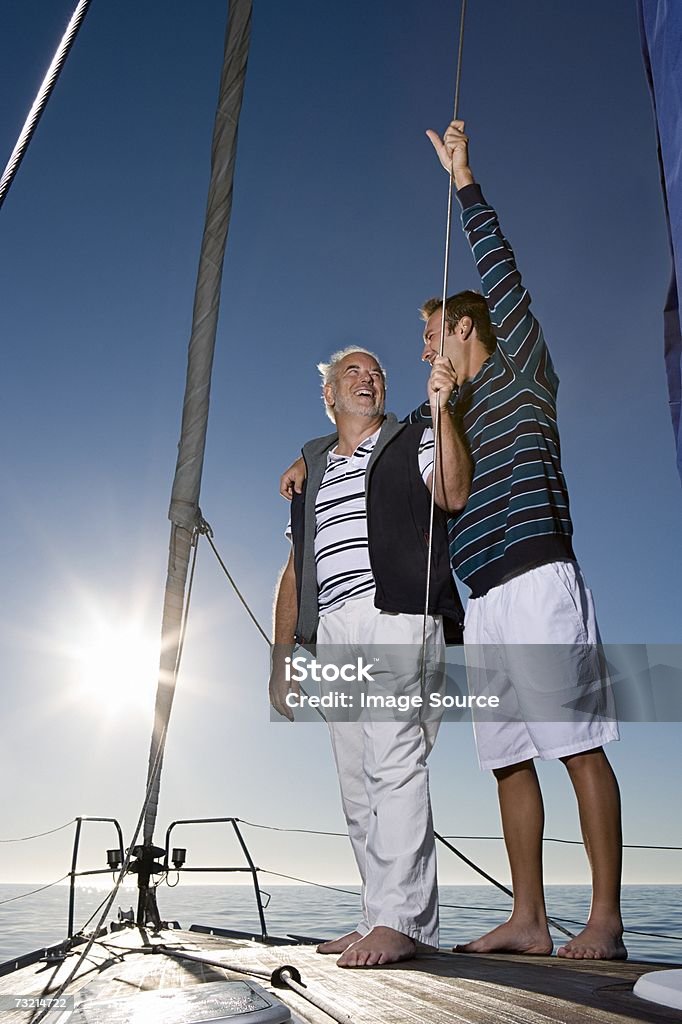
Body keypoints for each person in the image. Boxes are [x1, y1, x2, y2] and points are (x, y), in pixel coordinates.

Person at [281, 122, 626, 961]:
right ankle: (530, 918)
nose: (422, 346)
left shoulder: (520, 370)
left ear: (468, 329)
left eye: (433, 333)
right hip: (484, 602)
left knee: (573, 742)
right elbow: (381, 466)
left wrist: (465, 182)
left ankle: (608, 918)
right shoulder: (445, 417)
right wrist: (309, 460)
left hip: (539, 575)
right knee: (509, 759)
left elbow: (502, 277)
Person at [269, 346, 469, 967]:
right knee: (357, 782)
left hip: (398, 616)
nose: (368, 379)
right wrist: (282, 657)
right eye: (351, 373)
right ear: (329, 396)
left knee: (394, 761)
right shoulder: (312, 470)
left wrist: (440, 413)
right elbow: (299, 568)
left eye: (376, 372)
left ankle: (403, 920)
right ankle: (377, 914)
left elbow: (454, 493)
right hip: (333, 629)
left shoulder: (414, 439)